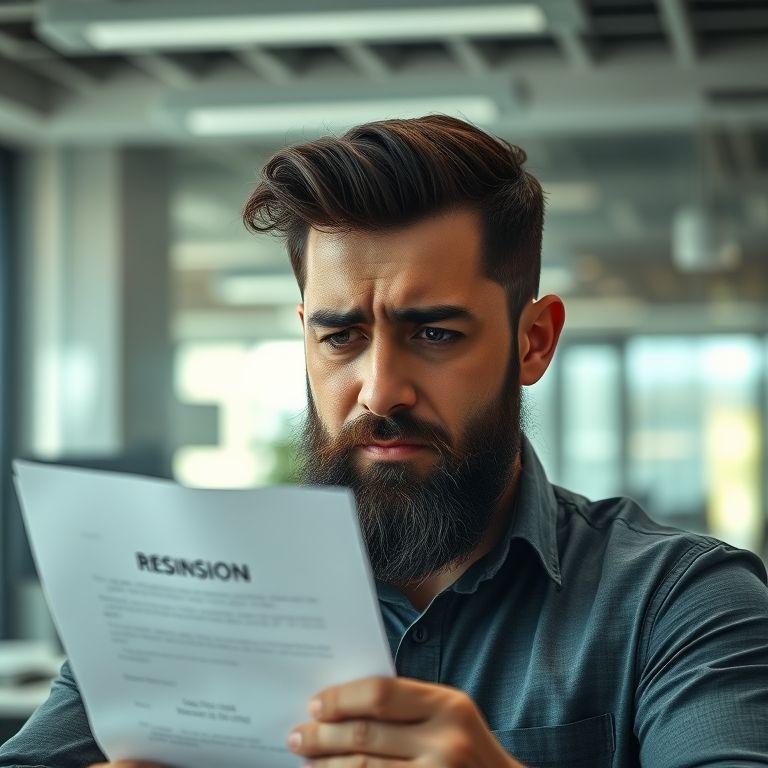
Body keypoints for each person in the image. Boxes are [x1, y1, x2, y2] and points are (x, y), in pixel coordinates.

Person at [2, 115, 767, 768]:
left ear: (533, 342)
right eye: (341, 337)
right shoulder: (187, 598)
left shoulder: (680, 602)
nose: (379, 391)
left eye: (433, 333)